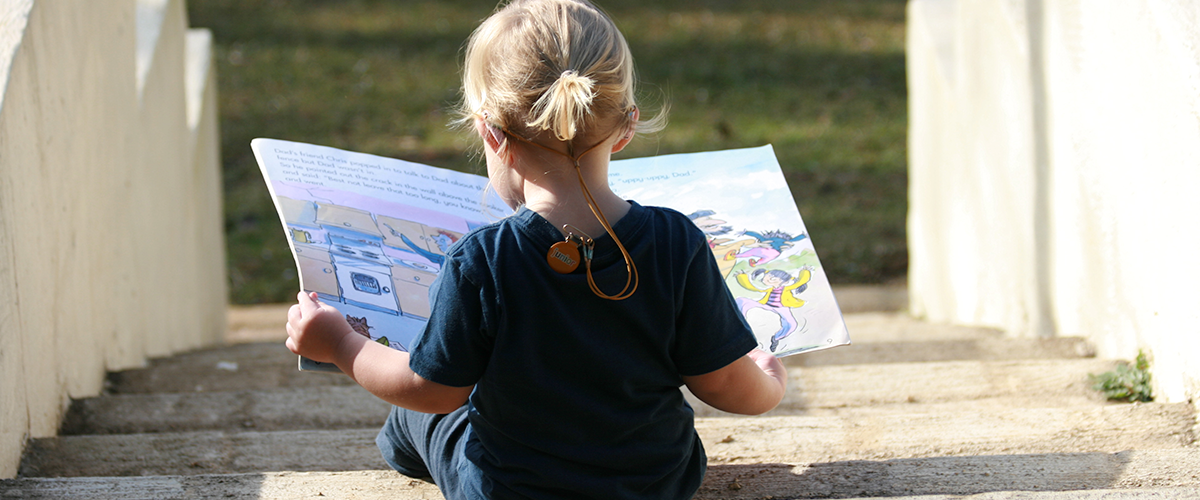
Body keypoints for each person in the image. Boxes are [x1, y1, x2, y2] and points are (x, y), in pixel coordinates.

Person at [284, 1, 787, 498]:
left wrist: (342, 346)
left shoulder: (483, 259)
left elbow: (432, 392)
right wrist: (769, 380)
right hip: (656, 483)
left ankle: (405, 452)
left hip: (511, 490)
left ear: (491, 133)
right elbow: (723, 382)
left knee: (419, 409)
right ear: (627, 126)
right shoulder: (678, 241)